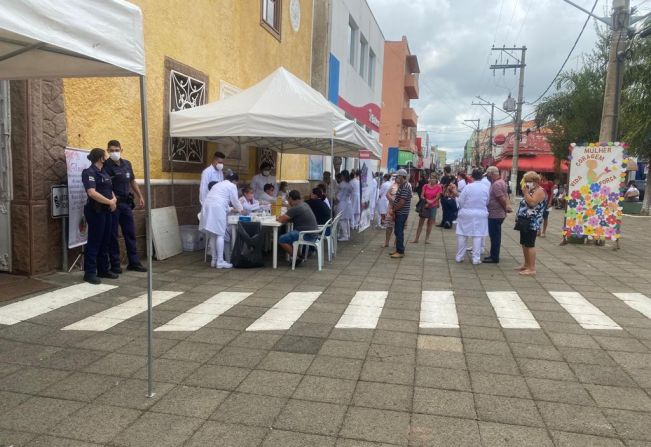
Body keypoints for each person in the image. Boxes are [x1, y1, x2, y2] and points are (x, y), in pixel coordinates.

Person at [104, 140, 147, 274]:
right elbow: (106, 185)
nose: (114, 152)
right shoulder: (106, 166)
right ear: (107, 151)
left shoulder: (127, 164)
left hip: (126, 204)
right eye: (111, 150)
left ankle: (134, 262)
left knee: (130, 233)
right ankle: (116, 264)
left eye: (116, 150)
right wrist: (111, 200)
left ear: (121, 150)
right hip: (114, 204)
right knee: (113, 235)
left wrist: (140, 195)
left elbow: (132, 181)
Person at [81, 148, 117, 284]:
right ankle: (89, 273)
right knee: (95, 241)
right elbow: (91, 192)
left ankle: (103, 269)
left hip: (107, 210)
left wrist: (113, 200)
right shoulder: (89, 172)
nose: (108, 157)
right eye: (106, 155)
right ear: (100, 158)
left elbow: (109, 189)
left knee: (105, 240)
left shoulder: (104, 172)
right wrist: (109, 202)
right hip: (96, 211)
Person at [199, 172, 243, 269]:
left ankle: (214, 260)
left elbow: (220, 199)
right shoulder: (232, 186)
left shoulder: (219, 184)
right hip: (216, 208)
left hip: (207, 206)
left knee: (212, 234)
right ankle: (220, 261)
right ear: (235, 181)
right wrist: (241, 210)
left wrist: (232, 209)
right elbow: (235, 200)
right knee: (220, 234)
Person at [515, 171, 547, 276]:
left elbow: (532, 203)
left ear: (536, 181)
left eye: (529, 181)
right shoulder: (531, 190)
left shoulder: (539, 191)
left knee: (530, 244)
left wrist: (525, 193)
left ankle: (532, 268)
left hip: (532, 221)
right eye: (526, 181)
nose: (527, 183)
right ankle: (526, 264)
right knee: (524, 243)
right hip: (524, 220)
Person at [455, 169, 489, 265]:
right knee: (477, 235)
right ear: (481, 177)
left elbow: (461, 200)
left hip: (466, 212)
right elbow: (487, 201)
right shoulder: (485, 188)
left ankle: (459, 257)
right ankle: (476, 258)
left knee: (462, 234)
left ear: (472, 177)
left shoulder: (468, 187)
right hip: (480, 213)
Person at [277, 190, 318, 265]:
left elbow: (281, 220)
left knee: (281, 239)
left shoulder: (296, 208)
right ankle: (297, 255)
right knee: (288, 235)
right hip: (313, 232)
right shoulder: (304, 204)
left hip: (306, 235)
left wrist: (279, 217)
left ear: (290, 198)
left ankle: (296, 258)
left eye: (288, 199)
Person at [484, 166, 511, 264]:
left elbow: (501, 199)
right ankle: (493, 255)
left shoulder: (496, 184)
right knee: (495, 236)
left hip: (495, 214)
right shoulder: (502, 182)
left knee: (495, 236)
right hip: (497, 213)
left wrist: (506, 208)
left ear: (491, 174)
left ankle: (494, 257)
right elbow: (505, 196)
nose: (487, 176)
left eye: (488, 174)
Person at [412, 174, 442, 244]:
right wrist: (426, 200)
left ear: (436, 179)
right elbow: (422, 195)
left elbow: (438, 197)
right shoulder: (425, 186)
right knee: (421, 222)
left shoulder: (439, 187)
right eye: (431, 178)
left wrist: (431, 201)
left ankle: (427, 239)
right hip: (425, 205)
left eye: (434, 178)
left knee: (430, 223)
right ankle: (416, 238)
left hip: (433, 206)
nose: (432, 179)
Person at [390, 169, 412, 259]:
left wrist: (394, 210)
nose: (396, 178)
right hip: (400, 212)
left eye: (398, 176)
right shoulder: (402, 185)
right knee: (397, 231)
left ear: (402, 177)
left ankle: (400, 251)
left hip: (402, 213)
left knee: (399, 232)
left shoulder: (406, 186)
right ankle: (398, 249)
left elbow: (402, 202)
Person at [336, 170, 354, 241]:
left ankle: (345, 236)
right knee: (346, 220)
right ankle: (346, 234)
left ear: (342, 176)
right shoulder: (349, 184)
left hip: (341, 203)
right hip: (347, 203)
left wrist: (335, 200)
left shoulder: (342, 184)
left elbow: (339, 196)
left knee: (341, 220)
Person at [383, 178, 399, 248]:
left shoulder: (406, 186)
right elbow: (387, 194)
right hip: (391, 208)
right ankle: (386, 242)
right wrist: (392, 199)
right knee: (389, 226)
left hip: (400, 209)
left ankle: (396, 243)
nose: (398, 179)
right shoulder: (392, 185)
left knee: (399, 227)